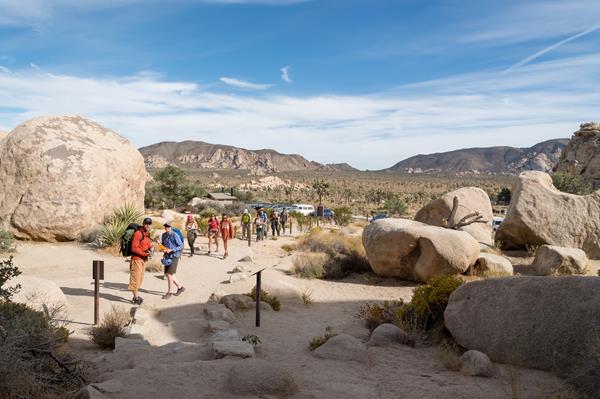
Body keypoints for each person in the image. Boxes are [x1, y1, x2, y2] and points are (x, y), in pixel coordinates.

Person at [129, 217, 153, 305]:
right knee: (135, 279)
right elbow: (134, 248)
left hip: (143, 259)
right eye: (146, 223)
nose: (148, 225)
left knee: (140, 279)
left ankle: (135, 296)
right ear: (143, 224)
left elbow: (147, 244)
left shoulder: (147, 234)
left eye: (149, 224)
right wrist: (145, 254)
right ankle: (135, 298)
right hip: (137, 259)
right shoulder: (138, 233)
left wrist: (151, 248)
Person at [160, 222, 185, 299]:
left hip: (175, 256)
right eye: (165, 226)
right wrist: (160, 245)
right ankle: (180, 288)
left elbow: (181, 246)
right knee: (168, 274)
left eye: (168, 226)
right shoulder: (164, 235)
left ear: (171, 227)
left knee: (169, 274)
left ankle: (169, 292)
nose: (167, 228)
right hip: (167, 256)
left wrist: (172, 250)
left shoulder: (174, 235)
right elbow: (163, 246)